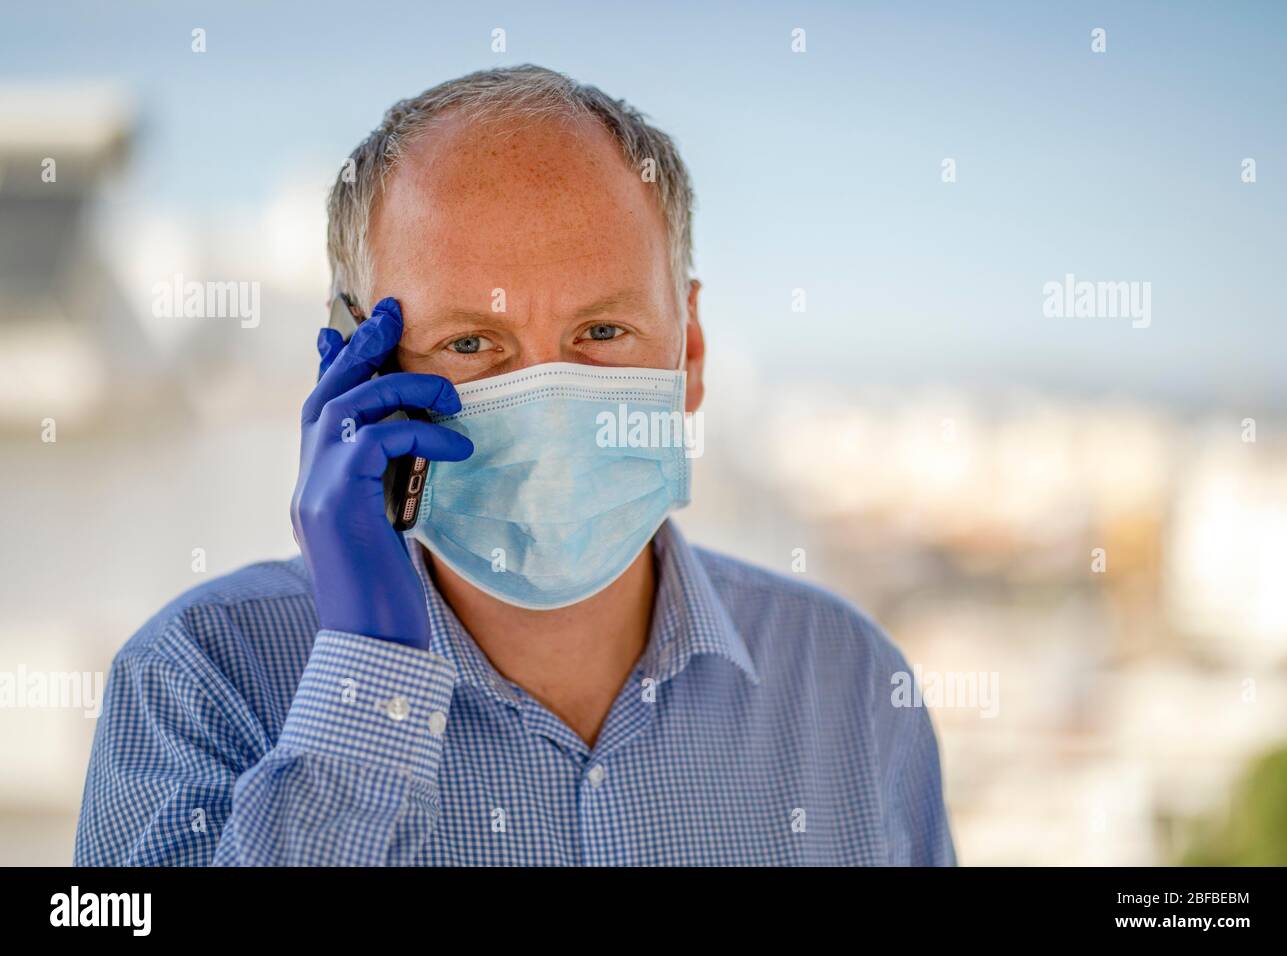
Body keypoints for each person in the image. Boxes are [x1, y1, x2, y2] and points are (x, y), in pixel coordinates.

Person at [75, 65, 956, 865]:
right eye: (471, 341)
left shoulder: (850, 685)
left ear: (687, 350)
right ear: (362, 369)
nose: (546, 393)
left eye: (601, 333)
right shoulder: (196, 681)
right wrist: (365, 672)